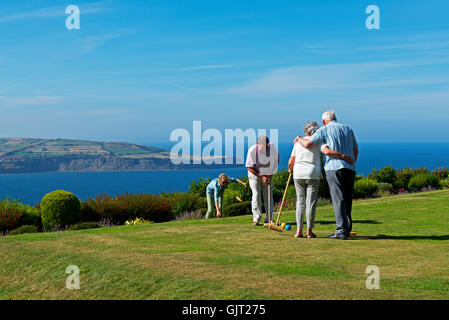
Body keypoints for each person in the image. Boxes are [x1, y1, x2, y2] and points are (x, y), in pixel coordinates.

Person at [294, 110, 358, 240]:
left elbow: (309, 144)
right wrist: (350, 161)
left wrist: (298, 138)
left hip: (334, 168)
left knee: (338, 199)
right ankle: (347, 229)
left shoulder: (324, 130)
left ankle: (341, 231)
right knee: (347, 199)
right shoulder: (348, 129)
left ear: (324, 121)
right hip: (350, 168)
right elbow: (355, 150)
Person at [246, 136, 279, 226]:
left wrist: (271, 174)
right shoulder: (252, 151)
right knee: (256, 195)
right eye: (263, 146)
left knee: (268, 196)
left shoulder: (271, 147)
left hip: (267, 173)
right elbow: (250, 168)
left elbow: (276, 160)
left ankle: (269, 219)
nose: (265, 148)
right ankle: (256, 219)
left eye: (266, 146)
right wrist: (261, 177)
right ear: (258, 144)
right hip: (254, 175)